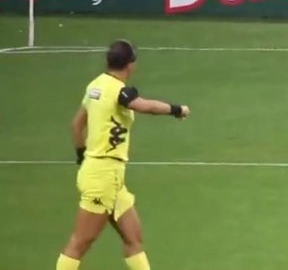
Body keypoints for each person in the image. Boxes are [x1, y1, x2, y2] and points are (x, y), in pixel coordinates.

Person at [56, 40, 190, 270]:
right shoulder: (120, 92)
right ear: (130, 65)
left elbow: (76, 126)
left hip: (108, 177)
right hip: (103, 176)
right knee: (80, 243)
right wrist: (177, 110)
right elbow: (145, 106)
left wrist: (82, 157)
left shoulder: (94, 86)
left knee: (133, 239)